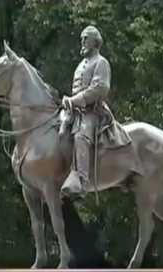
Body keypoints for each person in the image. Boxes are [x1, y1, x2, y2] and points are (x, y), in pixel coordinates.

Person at [60, 25, 113, 199]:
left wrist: (73, 100)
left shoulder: (101, 62)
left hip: (92, 112)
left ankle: (81, 182)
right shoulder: (82, 64)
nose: (82, 41)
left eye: (85, 38)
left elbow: (99, 88)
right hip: (75, 110)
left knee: (80, 136)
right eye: (82, 38)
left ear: (95, 42)